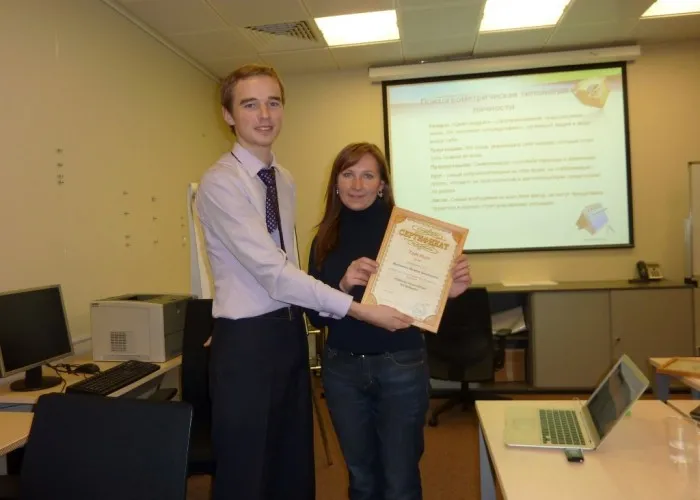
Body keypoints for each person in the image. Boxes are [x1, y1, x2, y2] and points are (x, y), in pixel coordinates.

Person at [195, 65, 414, 500]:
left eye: (273, 103)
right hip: (248, 341)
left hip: (288, 333)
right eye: (250, 104)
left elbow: (289, 264)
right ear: (228, 115)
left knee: (292, 464)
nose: (264, 115)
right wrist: (359, 309)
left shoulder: (283, 179)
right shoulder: (220, 184)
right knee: (246, 470)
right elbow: (273, 273)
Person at [305, 142, 472, 500]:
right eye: (348, 174)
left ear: (382, 184)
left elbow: (422, 303)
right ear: (336, 182)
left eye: (368, 175)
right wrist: (342, 285)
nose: (357, 185)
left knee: (400, 480)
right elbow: (315, 314)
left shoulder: (410, 233)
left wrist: (448, 292)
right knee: (362, 479)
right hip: (342, 370)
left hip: (401, 366)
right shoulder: (324, 238)